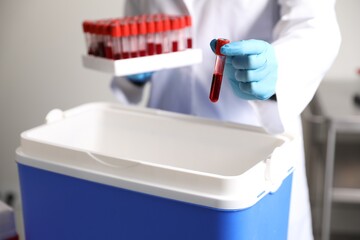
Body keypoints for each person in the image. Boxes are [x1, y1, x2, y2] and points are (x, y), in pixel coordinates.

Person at [111, 1, 341, 239]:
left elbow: (316, 25)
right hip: (162, 139)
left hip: (253, 143)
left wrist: (278, 69)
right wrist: (132, 71)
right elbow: (135, 25)